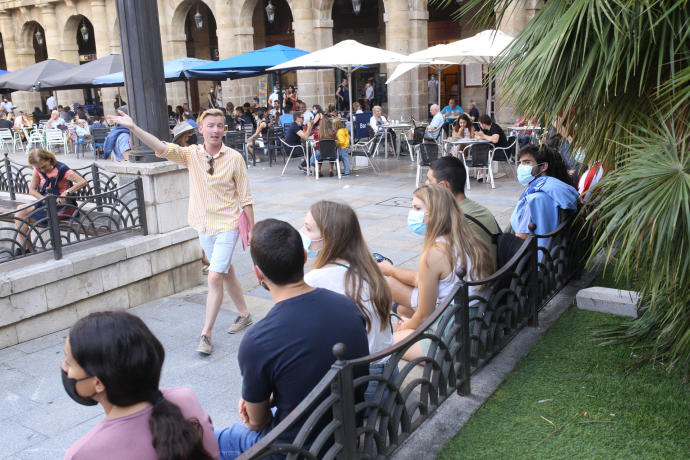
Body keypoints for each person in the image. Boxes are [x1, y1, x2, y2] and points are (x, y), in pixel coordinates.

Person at [214, 218, 369, 458]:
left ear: (258, 273)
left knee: (211, 439)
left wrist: (257, 405)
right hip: (344, 434)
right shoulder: (348, 307)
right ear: (304, 258)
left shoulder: (258, 340)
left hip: (295, 450)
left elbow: (257, 423)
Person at [107, 107, 255, 355]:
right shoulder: (191, 155)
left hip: (229, 224)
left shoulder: (234, 158)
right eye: (211, 125)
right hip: (203, 225)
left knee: (215, 276)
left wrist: (253, 229)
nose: (216, 130)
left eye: (220, 125)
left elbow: (246, 197)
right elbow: (162, 147)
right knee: (225, 271)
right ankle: (245, 314)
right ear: (201, 130)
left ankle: (205, 334)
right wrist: (133, 128)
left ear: (224, 129)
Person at [62, 311, 219, 460]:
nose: (64, 368)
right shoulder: (185, 397)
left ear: (98, 383)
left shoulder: (82, 454)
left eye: (69, 362)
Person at [379, 185, 494, 361]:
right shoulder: (470, 239)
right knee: (402, 313)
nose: (412, 213)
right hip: (473, 321)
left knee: (385, 342)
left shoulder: (435, 253)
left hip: (452, 333)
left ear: (434, 214)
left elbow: (425, 314)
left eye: (417, 208)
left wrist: (405, 327)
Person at [302, 201, 393, 399]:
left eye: (308, 229)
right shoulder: (368, 266)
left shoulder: (315, 279)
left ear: (328, 238)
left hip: (361, 382)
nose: (303, 234)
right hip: (387, 372)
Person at [13, 149, 87, 255]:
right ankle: (26, 249)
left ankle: (27, 251)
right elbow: (32, 190)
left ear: (49, 159)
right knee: (20, 210)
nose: (42, 170)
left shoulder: (62, 169)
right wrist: (44, 199)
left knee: (23, 216)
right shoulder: (38, 170)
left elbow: (83, 182)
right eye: (38, 168)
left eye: (43, 166)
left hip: (61, 206)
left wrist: (66, 192)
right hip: (46, 203)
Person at [427, 156, 500, 264]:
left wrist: (392, 269)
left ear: (444, 186)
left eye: (429, 181)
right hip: (492, 276)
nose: (426, 186)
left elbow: (431, 272)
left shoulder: (454, 219)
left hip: (476, 280)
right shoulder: (478, 209)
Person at [511, 144, 579, 240]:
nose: (521, 167)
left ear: (543, 166)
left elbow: (520, 238)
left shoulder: (534, 198)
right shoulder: (560, 188)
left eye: (527, 162)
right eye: (521, 163)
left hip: (533, 251)